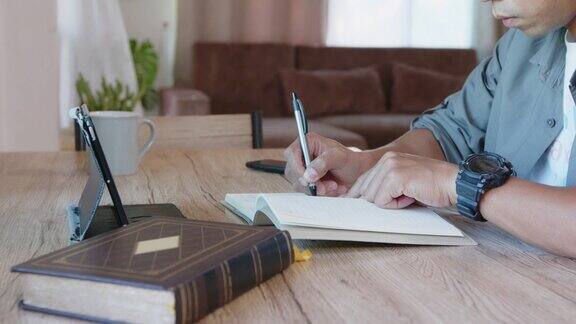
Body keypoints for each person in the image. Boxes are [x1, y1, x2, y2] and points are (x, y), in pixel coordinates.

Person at [284, 0, 576, 258]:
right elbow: (450, 130)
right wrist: (366, 165)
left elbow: (447, 177)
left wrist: (460, 185)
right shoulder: (518, 46)